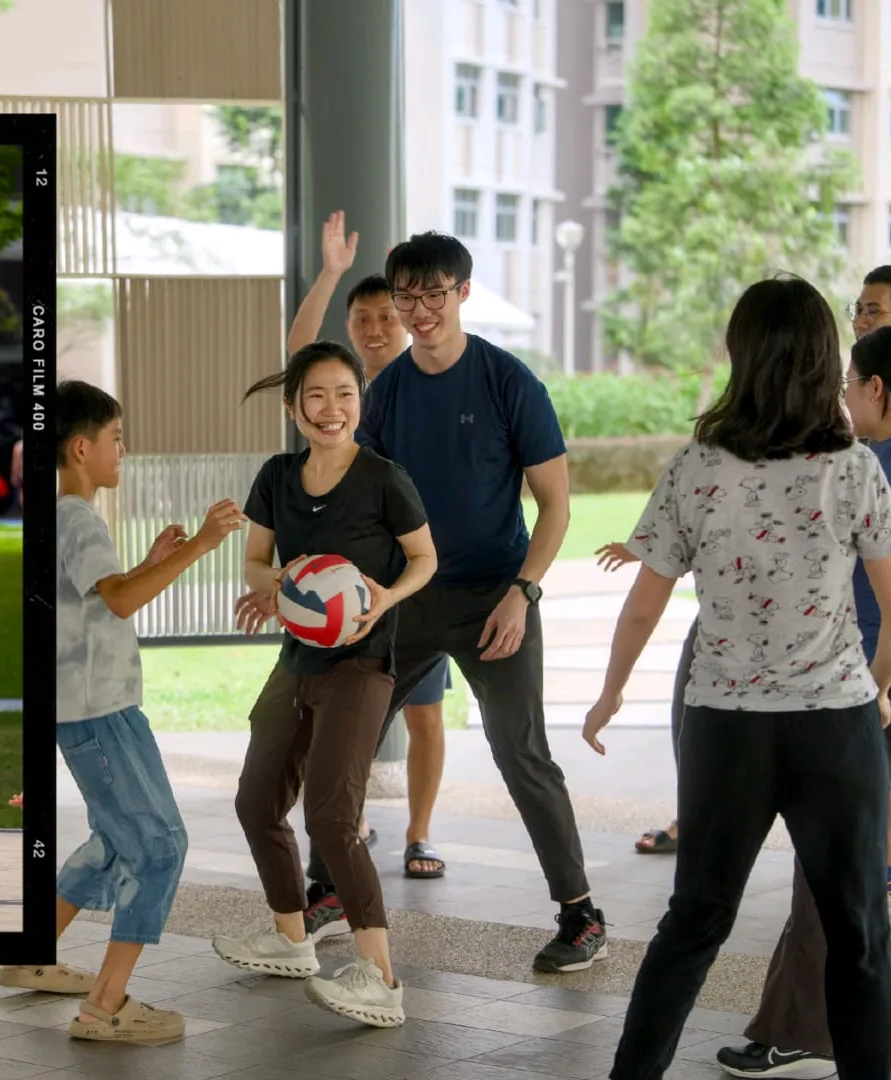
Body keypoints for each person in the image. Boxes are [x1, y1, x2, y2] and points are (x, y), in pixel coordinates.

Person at [585, 275, 891, 1080]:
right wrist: (875, 688)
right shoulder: (854, 468)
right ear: (824, 360)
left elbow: (644, 605)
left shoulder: (696, 467)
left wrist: (611, 691)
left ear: (742, 355)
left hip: (724, 725)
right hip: (835, 726)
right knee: (860, 933)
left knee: (694, 921)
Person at [295, 230, 606, 974]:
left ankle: (581, 915)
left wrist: (523, 594)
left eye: (434, 294)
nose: (419, 310)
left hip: (495, 598)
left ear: (462, 293)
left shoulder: (509, 382)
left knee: (521, 751)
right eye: (407, 297)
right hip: (404, 595)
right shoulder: (386, 392)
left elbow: (556, 505)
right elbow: (357, 488)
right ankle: (327, 889)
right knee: (345, 741)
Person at [619, 266, 891, 881]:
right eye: (856, 311)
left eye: (873, 312)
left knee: (814, 873)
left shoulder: (858, 464)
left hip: (849, 676)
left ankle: (878, 885)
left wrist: (877, 688)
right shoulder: (881, 461)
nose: (859, 322)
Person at [717, 323, 891, 1078]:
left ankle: (801, 1031)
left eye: (848, 386)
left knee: (827, 855)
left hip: (885, 680)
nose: (843, 400)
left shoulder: (855, 472)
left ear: (876, 390)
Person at [0, 379, 244, 1044]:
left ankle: (32, 954)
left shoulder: (60, 516)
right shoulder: (77, 516)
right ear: (81, 448)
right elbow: (122, 601)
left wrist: (150, 562)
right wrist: (199, 546)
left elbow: (99, 598)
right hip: (101, 714)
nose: (123, 451)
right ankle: (104, 1006)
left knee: (113, 841)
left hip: (86, 710)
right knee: (160, 845)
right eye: (116, 438)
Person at [210, 341, 437, 1029]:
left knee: (333, 817)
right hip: (297, 660)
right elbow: (255, 561)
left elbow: (425, 558)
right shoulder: (278, 476)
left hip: (362, 664)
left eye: (345, 394)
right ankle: (291, 938)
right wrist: (282, 582)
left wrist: (386, 595)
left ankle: (382, 979)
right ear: (294, 407)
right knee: (257, 801)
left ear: (360, 401)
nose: (331, 408)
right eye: (316, 395)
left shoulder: (384, 478)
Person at [284, 209, 450, 882]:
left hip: (407, 581)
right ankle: (348, 827)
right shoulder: (338, 392)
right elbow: (299, 350)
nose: (377, 328)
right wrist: (330, 273)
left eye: (389, 315)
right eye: (364, 319)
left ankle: (419, 833)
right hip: (341, 588)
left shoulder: (421, 383)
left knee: (425, 713)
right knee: (337, 717)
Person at [11, 436, 23, 514]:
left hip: (21, 473)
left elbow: (16, 462)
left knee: (21, 492)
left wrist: (14, 475)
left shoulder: (18, 446)